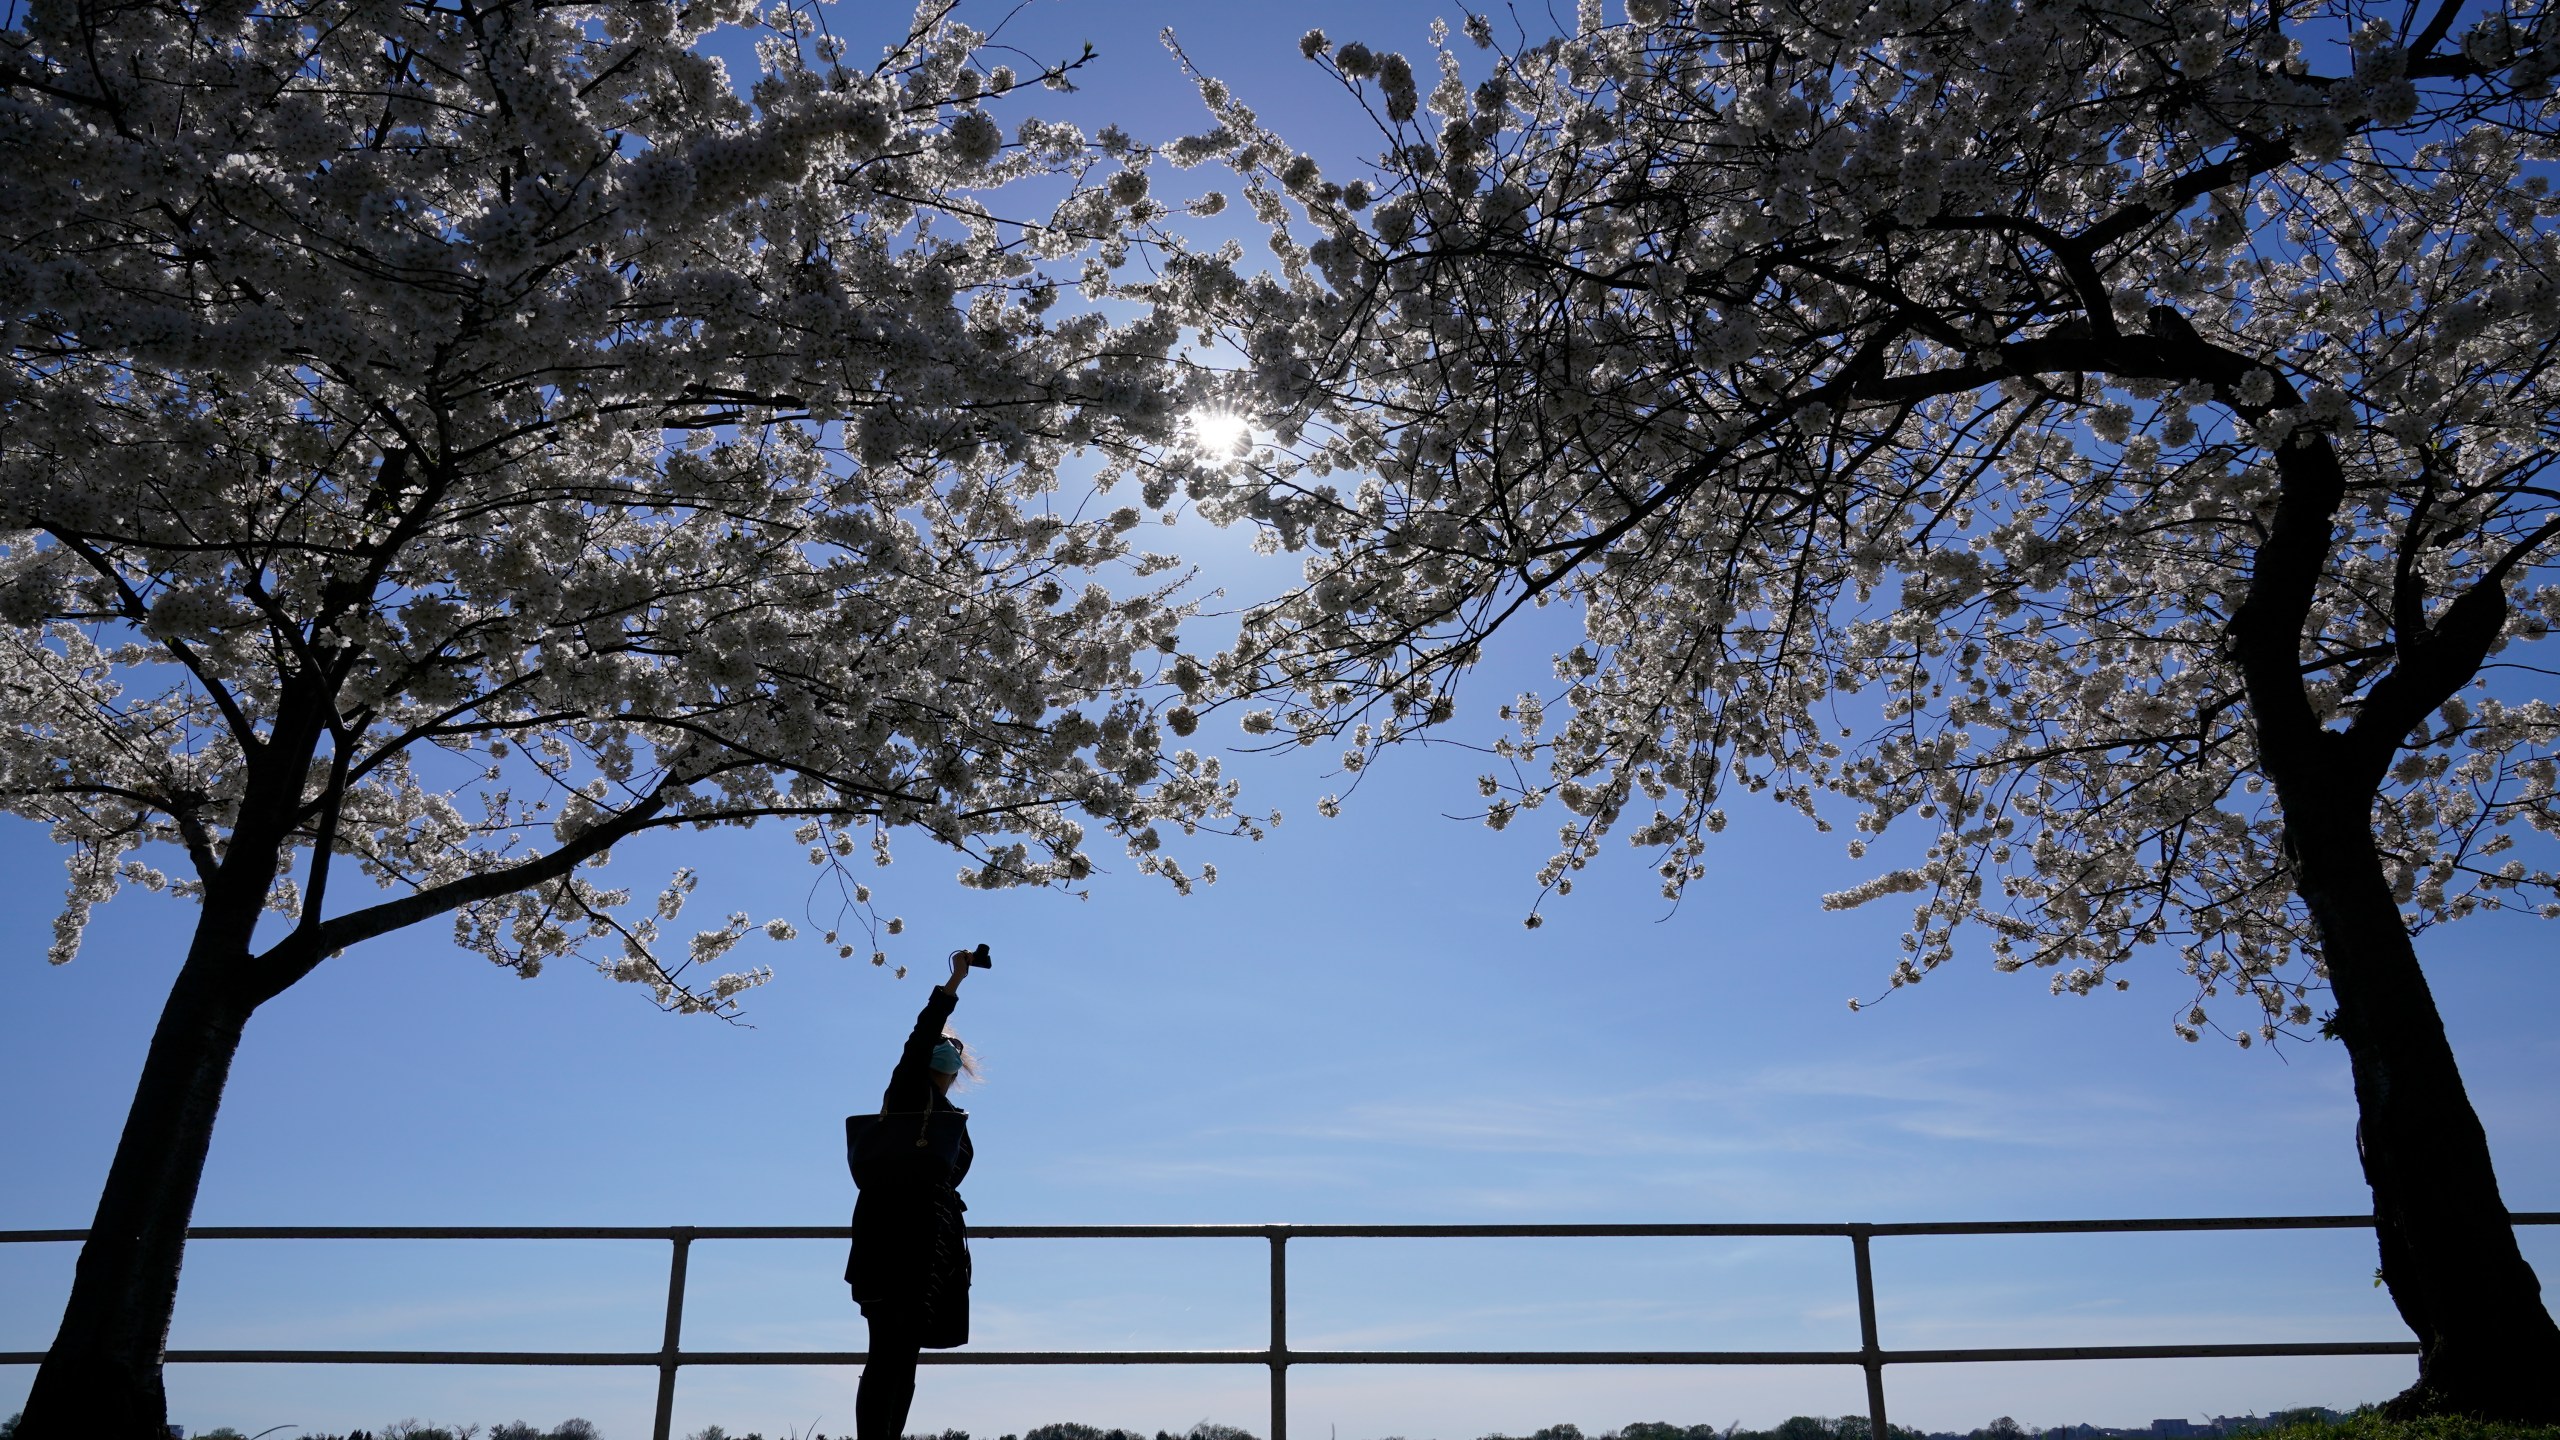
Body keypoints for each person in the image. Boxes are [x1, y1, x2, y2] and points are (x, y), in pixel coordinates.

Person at [845, 947, 980, 1440]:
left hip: (923, 1243)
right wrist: (954, 984)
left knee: (901, 1356)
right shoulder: (906, 1094)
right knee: (889, 1352)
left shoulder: (947, 1119)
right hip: (899, 1238)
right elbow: (920, 1036)